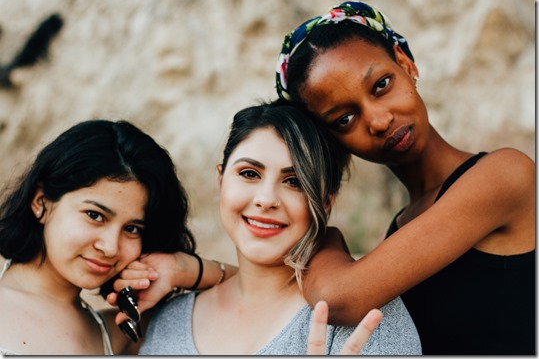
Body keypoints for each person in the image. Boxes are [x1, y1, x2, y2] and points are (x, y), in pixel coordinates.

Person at [274, 0, 535, 355]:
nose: (379, 120)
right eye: (344, 120)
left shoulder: (505, 175)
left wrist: (326, 235)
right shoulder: (401, 226)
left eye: (381, 84)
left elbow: (336, 299)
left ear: (405, 63)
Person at [138, 99, 421, 355]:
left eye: (294, 181)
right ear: (221, 179)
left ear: (325, 203)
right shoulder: (169, 321)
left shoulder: (367, 319)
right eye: (249, 173)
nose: (266, 199)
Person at [0, 119, 198, 355]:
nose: (111, 247)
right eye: (95, 215)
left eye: (133, 229)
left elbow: (249, 303)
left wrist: (181, 269)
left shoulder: (117, 335)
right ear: (40, 202)